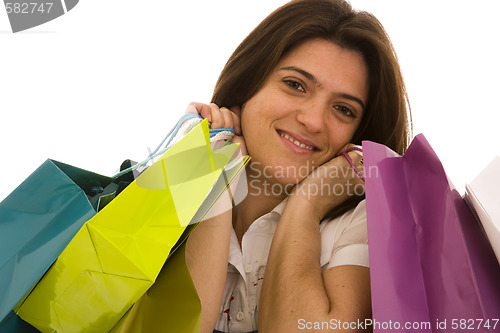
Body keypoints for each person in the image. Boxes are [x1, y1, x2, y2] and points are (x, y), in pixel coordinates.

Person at [185, 0, 411, 332]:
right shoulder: (169, 183)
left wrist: (308, 203)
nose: (313, 120)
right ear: (248, 83)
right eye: (295, 85)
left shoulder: (364, 225)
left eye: (344, 109)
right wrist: (213, 184)